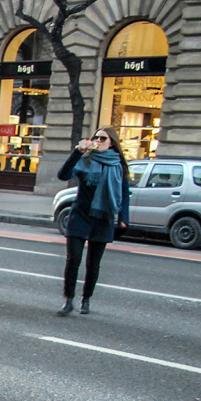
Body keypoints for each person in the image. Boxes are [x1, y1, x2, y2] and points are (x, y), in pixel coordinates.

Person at [55, 128, 130, 315]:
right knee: (74, 259)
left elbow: (124, 192)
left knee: (93, 263)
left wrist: (123, 218)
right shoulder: (85, 160)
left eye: (102, 138)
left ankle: (86, 299)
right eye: (95, 137)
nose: (98, 140)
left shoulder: (118, 165)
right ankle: (68, 300)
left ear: (111, 142)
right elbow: (63, 175)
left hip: (103, 217)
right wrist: (77, 152)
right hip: (80, 215)